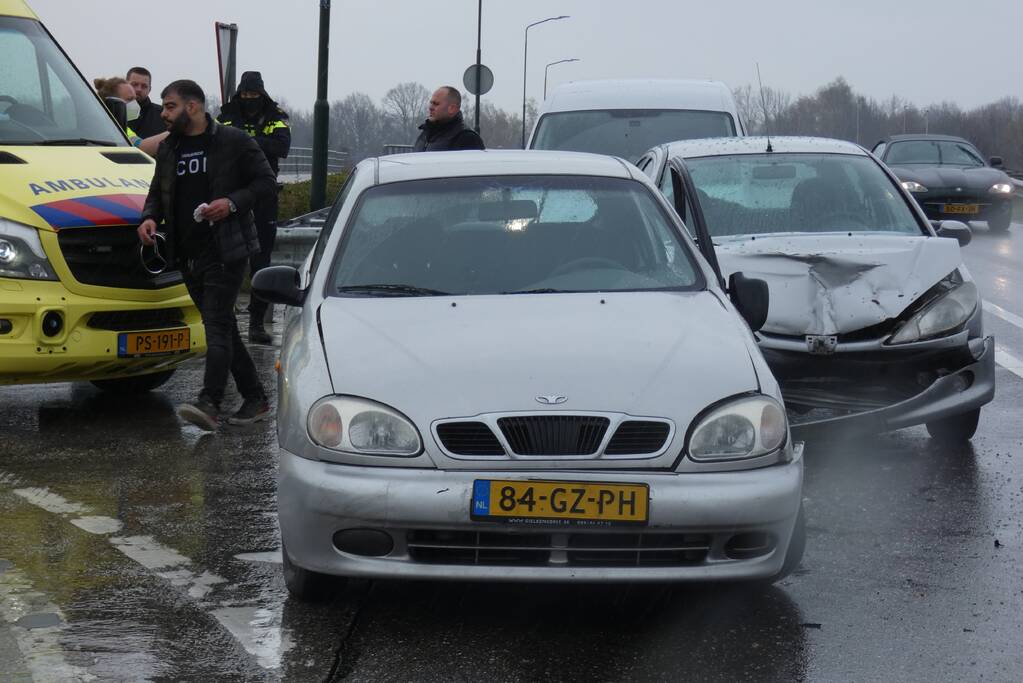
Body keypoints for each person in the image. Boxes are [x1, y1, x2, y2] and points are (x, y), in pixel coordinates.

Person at [136, 79, 277, 431]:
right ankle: (256, 398)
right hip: (186, 251)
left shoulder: (233, 141)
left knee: (215, 324)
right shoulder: (170, 148)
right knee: (224, 326)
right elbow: (157, 190)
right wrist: (149, 217)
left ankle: (210, 402)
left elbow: (265, 182)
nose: (164, 114)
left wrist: (230, 204)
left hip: (226, 248)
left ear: (193, 107)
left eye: (170, 106)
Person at [217, 71, 291, 345]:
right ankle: (225, 321)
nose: (249, 100)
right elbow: (214, 141)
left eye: (254, 96)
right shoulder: (225, 114)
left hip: (263, 194)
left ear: (262, 94)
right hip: (230, 192)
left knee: (261, 259)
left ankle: (257, 323)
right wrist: (256, 144)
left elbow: (282, 146)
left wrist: (242, 142)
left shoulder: (275, 114)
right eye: (245, 95)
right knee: (226, 258)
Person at [94, 76, 166, 157]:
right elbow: (142, 148)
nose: (135, 104)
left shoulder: (122, 127)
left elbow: (139, 144)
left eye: (135, 99)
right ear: (113, 102)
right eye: (130, 99)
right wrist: (175, 130)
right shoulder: (94, 125)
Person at [413, 86, 485, 152]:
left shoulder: (467, 138)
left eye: (436, 104)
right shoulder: (425, 134)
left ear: (452, 109)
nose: (430, 108)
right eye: (431, 103)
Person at [126, 66, 165, 138]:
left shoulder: (163, 115)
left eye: (144, 86)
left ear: (149, 89)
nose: (139, 89)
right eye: (134, 84)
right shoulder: (109, 110)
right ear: (125, 85)